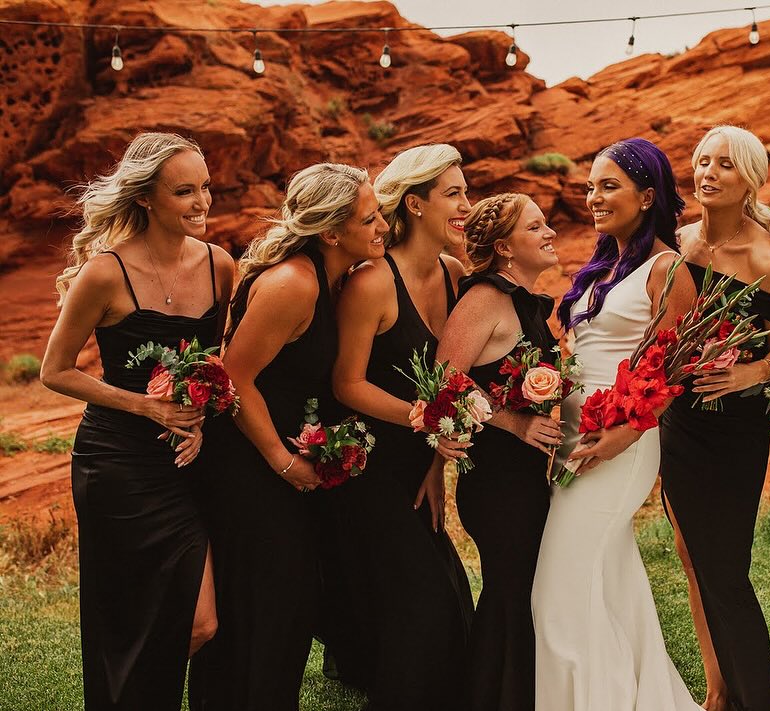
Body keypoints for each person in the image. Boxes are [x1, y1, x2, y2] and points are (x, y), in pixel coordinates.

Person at [40, 132, 231, 710]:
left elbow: (217, 362)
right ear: (146, 197)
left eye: (205, 188)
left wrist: (201, 415)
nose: (202, 203)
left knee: (200, 621)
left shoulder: (221, 266)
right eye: (184, 192)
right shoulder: (105, 273)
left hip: (193, 461)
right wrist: (147, 406)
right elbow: (56, 371)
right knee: (142, 619)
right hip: (118, 463)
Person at [188, 163, 387, 710]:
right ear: (330, 232)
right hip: (249, 469)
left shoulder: (336, 277)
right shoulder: (293, 284)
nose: (382, 227)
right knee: (268, 610)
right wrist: (281, 460)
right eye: (369, 219)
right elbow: (232, 378)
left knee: (289, 608)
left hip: (280, 464)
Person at [531, 137, 702, 711]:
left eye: (609, 186)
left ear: (647, 195)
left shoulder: (666, 269)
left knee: (558, 592)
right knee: (608, 580)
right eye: (590, 186)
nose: (593, 197)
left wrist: (626, 431)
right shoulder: (603, 267)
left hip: (619, 441)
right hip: (577, 437)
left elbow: (676, 368)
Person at [323, 144, 474, 710]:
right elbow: (347, 384)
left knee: (450, 609)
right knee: (426, 608)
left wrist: (436, 461)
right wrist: (421, 422)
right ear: (415, 203)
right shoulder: (372, 283)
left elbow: (449, 383)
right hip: (371, 470)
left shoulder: (455, 275)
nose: (466, 204)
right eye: (454, 193)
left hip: (418, 467)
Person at [658, 125, 770, 711]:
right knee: (692, 554)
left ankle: (757, 696)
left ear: (751, 180)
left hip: (735, 427)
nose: (708, 173)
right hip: (679, 418)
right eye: (702, 161)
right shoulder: (679, 243)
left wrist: (746, 374)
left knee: (726, 565)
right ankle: (718, 689)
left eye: (725, 165)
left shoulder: (769, 260)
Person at [435, 192, 563, 711]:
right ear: (506, 249)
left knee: (517, 596)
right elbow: (443, 382)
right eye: (536, 228)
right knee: (512, 597)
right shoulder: (485, 300)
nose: (550, 232)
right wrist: (513, 422)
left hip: (525, 479)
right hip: (497, 483)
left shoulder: (518, 300)